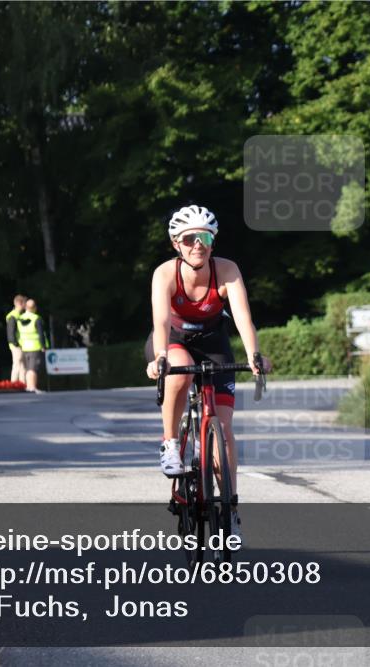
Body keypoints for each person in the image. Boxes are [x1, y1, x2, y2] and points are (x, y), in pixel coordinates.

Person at [145, 204, 271, 541]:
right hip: (172, 340)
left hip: (214, 342)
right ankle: (170, 443)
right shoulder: (165, 273)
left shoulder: (227, 270)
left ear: (213, 242)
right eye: (190, 239)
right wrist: (160, 357)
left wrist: (254, 355)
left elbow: (243, 317)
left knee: (224, 431)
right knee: (179, 372)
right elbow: (160, 321)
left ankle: (230, 510)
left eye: (205, 238)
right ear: (176, 243)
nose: (198, 245)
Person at [15, 298, 50, 393]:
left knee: (28, 368)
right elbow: (40, 334)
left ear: (26, 307)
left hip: (24, 347)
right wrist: (43, 346)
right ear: (35, 308)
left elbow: (17, 333)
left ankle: (29, 386)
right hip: (35, 347)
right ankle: (32, 387)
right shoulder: (36, 318)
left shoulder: (20, 318)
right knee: (33, 368)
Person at [5, 294, 27, 383]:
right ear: (19, 303)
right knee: (17, 364)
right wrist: (16, 344)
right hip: (16, 345)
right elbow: (11, 332)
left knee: (22, 366)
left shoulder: (19, 314)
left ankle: (22, 384)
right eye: (24, 303)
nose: (25, 305)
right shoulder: (13, 315)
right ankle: (13, 384)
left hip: (20, 344)